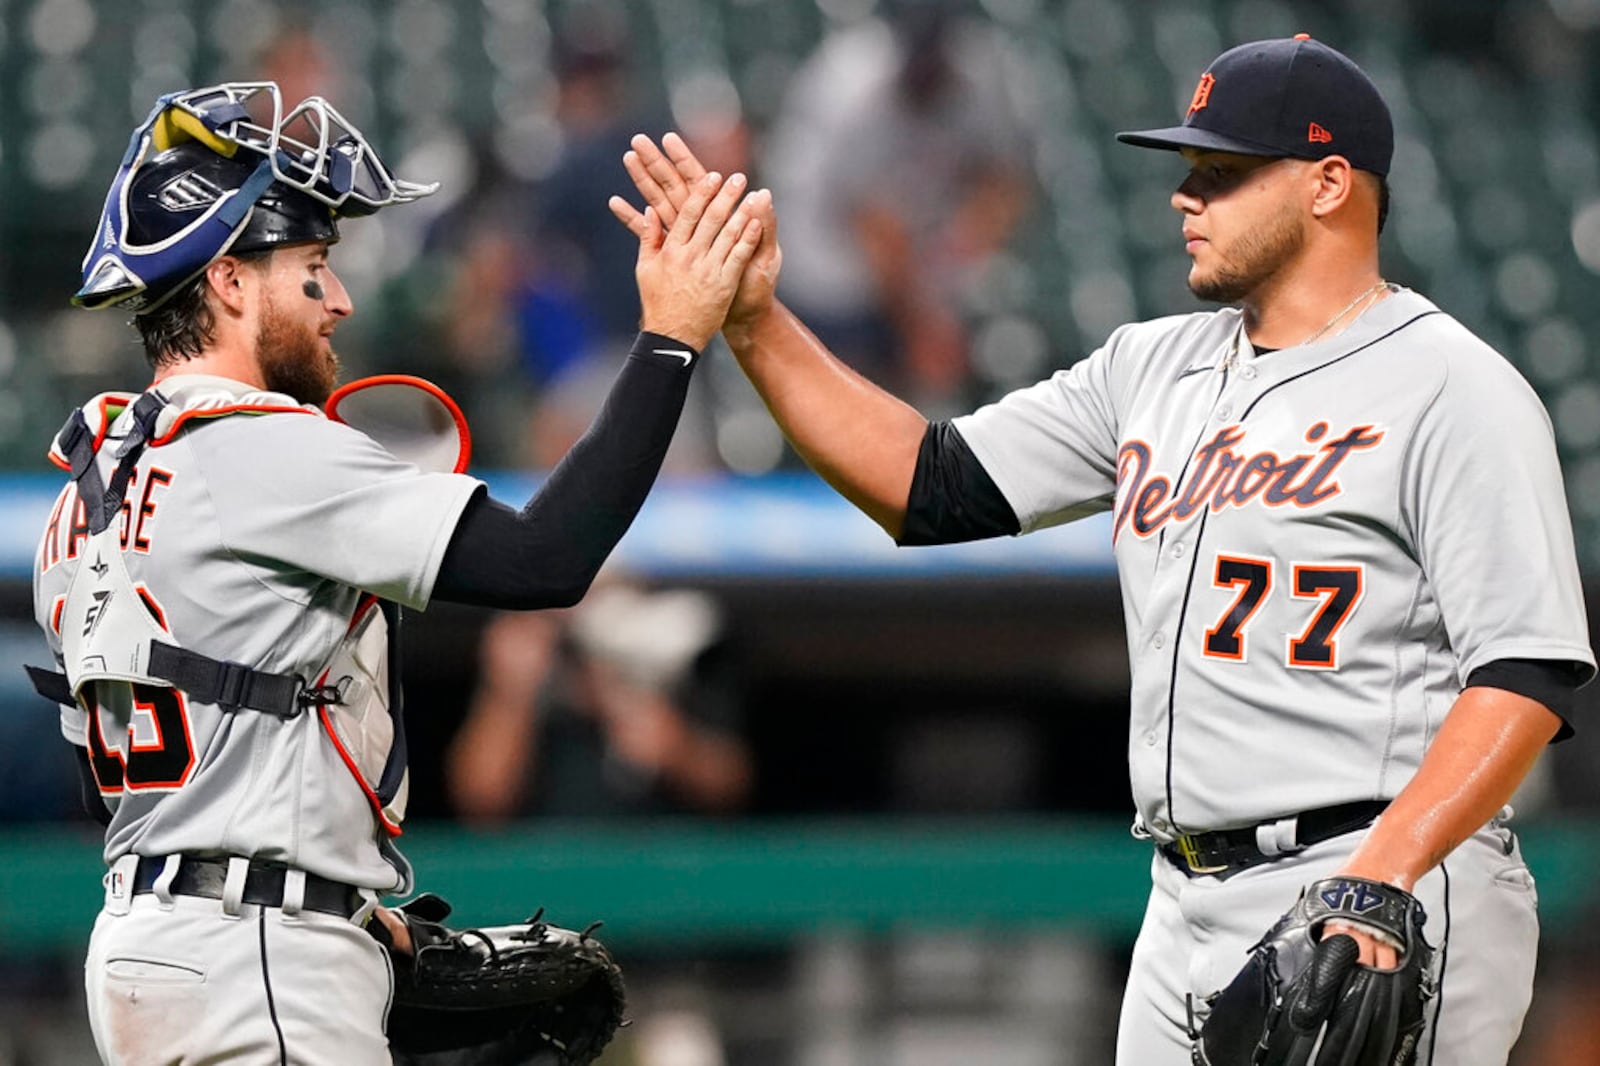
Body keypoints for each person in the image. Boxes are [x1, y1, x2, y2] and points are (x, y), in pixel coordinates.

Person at [610, 35, 1594, 1066]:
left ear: (1329, 184)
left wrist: (1380, 872)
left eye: (1221, 172)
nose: (1185, 196)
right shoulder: (1148, 367)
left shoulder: (1451, 387)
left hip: (1378, 873)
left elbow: (1524, 673)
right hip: (1182, 893)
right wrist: (755, 320)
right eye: (1187, 170)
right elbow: (929, 485)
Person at [27, 80, 760, 1064]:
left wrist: (370, 929)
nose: (340, 299)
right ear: (230, 283)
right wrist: (672, 336)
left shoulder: (89, 483)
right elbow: (545, 558)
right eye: (312, 266)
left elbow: (225, 759)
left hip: (154, 938)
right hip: (258, 956)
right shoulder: (257, 447)